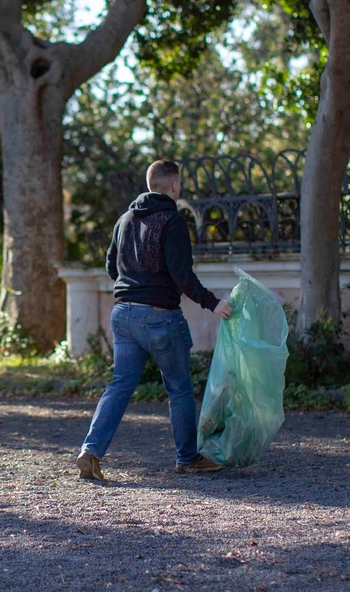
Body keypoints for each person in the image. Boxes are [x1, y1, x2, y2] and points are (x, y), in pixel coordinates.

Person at [77, 160, 234, 481]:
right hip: (161, 317)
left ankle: (90, 451)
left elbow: (112, 266)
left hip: (123, 314)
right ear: (174, 186)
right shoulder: (172, 220)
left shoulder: (124, 220)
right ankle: (187, 458)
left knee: (120, 385)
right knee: (178, 388)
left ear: (150, 185)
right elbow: (182, 275)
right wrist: (212, 303)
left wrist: (133, 284)